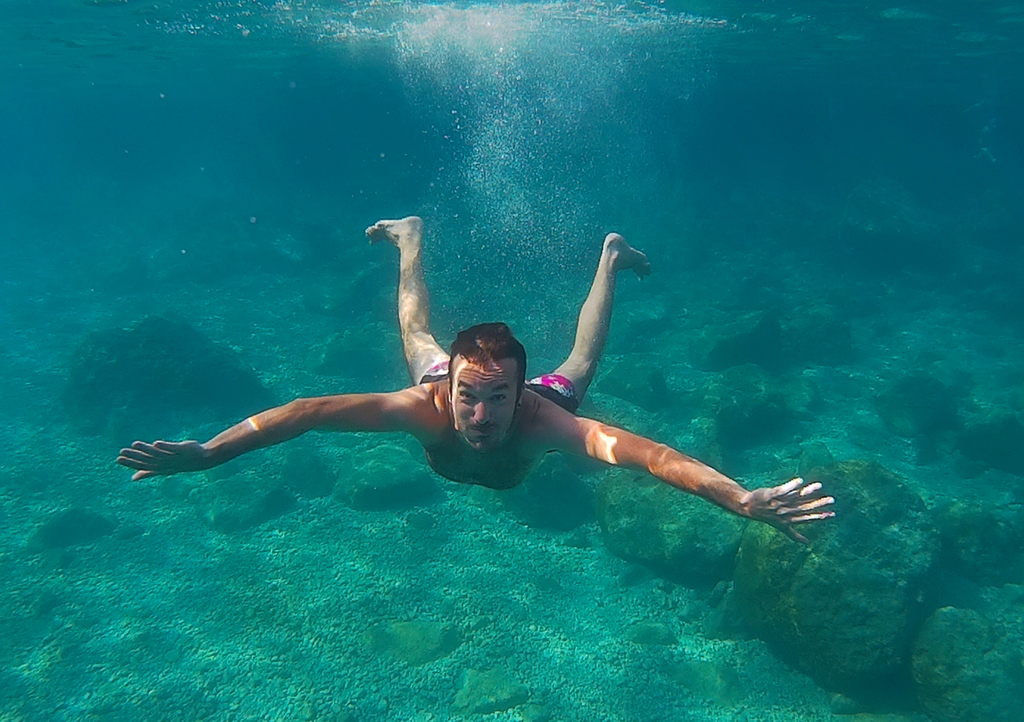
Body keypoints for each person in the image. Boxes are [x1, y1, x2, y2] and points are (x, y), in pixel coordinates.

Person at [117, 216, 834, 542]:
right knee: (414, 334)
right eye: (469, 395)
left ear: (520, 393)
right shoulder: (426, 405)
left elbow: (653, 458)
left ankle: (610, 258)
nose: (483, 415)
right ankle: (411, 237)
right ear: (449, 389)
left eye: (497, 398)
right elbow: (306, 410)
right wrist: (211, 453)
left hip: (536, 393)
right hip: (437, 367)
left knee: (580, 363)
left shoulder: (542, 417)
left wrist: (739, 499)